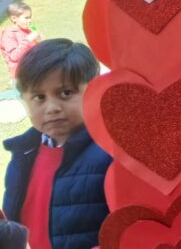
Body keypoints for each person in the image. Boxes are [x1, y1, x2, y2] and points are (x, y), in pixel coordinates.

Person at [2, 39, 111, 249]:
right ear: (24, 100)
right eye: (39, 97)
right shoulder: (22, 156)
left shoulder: (109, 155)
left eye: (66, 93)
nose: (52, 107)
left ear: (94, 90)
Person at [2, 2, 43, 78]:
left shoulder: (28, 31)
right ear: (14, 18)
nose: (30, 20)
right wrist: (28, 40)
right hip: (21, 75)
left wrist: (40, 41)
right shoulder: (9, 34)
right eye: (26, 18)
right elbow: (14, 56)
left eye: (30, 17)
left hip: (33, 70)